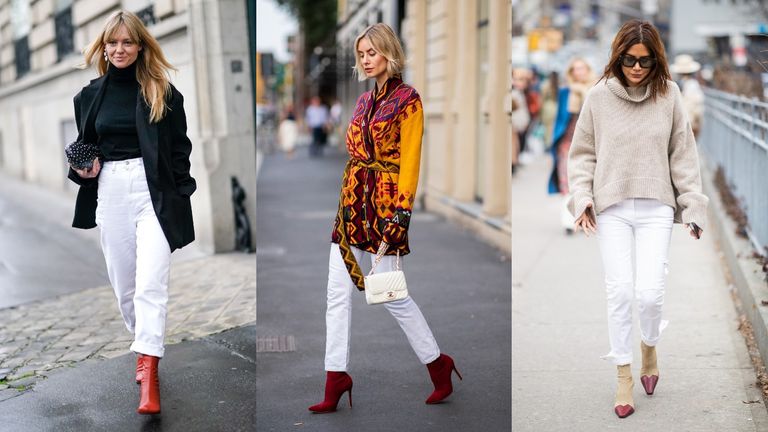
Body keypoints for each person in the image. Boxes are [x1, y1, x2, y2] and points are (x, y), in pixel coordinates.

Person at [308, 23, 461, 414]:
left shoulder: (410, 101)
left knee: (392, 295)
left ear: (389, 53)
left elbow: (410, 162)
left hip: (386, 207)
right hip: (351, 207)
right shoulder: (361, 102)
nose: (365, 59)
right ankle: (335, 376)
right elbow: (355, 153)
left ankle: (438, 364)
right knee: (335, 295)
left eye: (371, 52)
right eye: (361, 54)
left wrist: (402, 214)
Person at [567, 20, 708, 419]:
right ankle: (624, 375)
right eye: (628, 59)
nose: (636, 68)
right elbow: (582, 155)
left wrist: (692, 206)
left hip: (656, 206)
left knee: (649, 294)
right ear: (617, 56)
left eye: (644, 61)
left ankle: (649, 346)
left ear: (656, 61)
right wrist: (582, 198)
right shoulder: (598, 96)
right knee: (620, 293)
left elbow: (682, 154)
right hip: (610, 206)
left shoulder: (669, 95)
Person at [68, 10, 196, 415]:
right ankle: (144, 342)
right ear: (103, 47)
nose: (119, 49)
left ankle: (148, 369)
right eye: (112, 43)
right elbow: (85, 151)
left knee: (150, 285)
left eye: (127, 42)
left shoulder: (162, 91)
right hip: (111, 192)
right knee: (125, 290)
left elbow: (180, 148)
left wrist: (182, 193)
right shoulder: (89, 96)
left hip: (152, 191)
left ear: (141, 46)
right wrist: (82, 169)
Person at [548, 58, 596, 234]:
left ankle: (586, 216)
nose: (579, 72)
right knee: (566, 181)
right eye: (575, 69)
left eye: (582, 68)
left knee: (588, 182)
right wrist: (554, 141)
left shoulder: (597, 90)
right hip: (567, 142)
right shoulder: (565, 92)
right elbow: (559, 118)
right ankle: (568, 221)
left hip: (591, 143)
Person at [670, 54, 705, 138]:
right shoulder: (693, 84)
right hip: (690, 123)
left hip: (678, 124)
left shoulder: (675, 84)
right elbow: (698, 107)